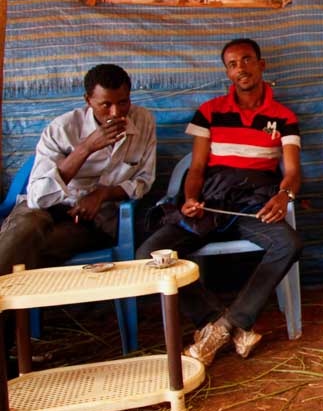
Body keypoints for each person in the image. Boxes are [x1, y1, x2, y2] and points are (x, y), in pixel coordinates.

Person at [137, 39, 302, 365]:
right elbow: (196, 169)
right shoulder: (210, 112)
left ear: (261, 64)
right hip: (211, 202)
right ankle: (214, 320)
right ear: (227, 71)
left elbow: (293, 170)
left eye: (246, 60)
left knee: (289, 243)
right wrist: (190, 199)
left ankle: (227, 325)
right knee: (148, 255)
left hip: (255, 202)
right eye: (232, 64)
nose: (240, 68)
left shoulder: (283, 116)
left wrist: (284, 196)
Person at [0, 64, 156, 276]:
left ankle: (16, 306)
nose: (116, 112)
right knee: (27, 227)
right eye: (105, 105)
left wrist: (102, 194)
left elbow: (144, 181)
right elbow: (37, 197)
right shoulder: (62, 129)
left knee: (34, 246)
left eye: (123, 102)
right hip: (44, 208)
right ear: (88, 100)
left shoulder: (143, 121)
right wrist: (86, 147)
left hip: (91, 222)